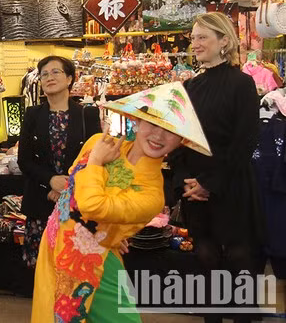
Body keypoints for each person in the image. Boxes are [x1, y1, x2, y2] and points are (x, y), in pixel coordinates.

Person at [32, 82, 211, 323]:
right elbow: (72, 182)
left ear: (181, 140)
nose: (158, 136)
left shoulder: (151, 194)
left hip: (96, 264)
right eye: (152, 123)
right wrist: (111, 229)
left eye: (170, 130)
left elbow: (92, 206)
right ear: (137, 121)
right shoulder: (98, 141)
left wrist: (95, 164)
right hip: (54, 246)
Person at [169, 12, 263, 322]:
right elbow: (178, 139)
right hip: (196, 188)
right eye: (193, 37)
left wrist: (210, 182)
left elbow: (244, 141)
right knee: (205, 259)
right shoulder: (190, 87)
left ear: (224, 41)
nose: (194, 44)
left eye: (202, 37)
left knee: (240, 260)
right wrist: (186, 181)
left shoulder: (242, 83)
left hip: (230, 185)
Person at [18, 56, 102, 268]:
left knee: (75, 268)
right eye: (44, 74)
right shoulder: (32, 114)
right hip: (40, 202)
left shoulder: (88, 114)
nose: (49, 77)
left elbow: (95, 158)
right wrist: (51, 181)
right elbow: (24, 160)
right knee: (42, 269)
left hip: (78, 203)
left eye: (56, 72)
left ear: (70, 78)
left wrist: (67, 187)